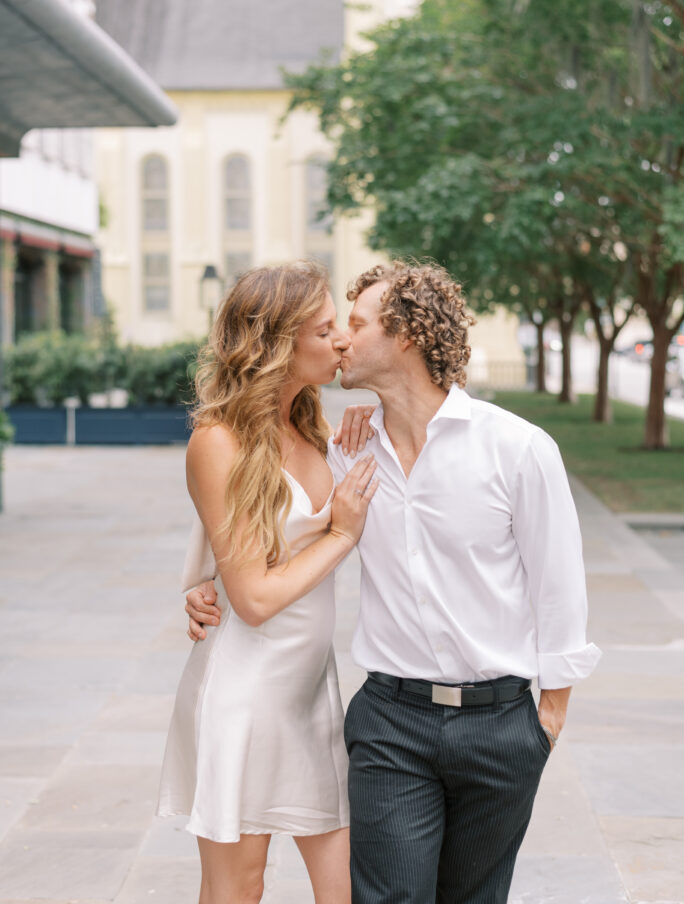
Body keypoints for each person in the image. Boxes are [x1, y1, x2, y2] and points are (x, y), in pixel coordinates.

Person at [187, 261, 601, 904]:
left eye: (353, 325)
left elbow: (560, 586)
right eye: (331, 328)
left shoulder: (511, 448)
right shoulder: (347, 448)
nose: (343, 340)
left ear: (404, 335)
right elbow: (250, 524)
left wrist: (547, 717)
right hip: (381, 718)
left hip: (488, 721)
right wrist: (205, 582)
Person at [158, 261, 379, 904]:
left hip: (312, 692)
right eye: (325, 329)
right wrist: (341, 534)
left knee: (347, 890)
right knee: (238, 889)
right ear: (275, 344)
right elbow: (252, 598)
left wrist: (372, 420)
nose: (340, 340)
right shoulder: (217, 439)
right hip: (244, 693)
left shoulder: (310, 425)